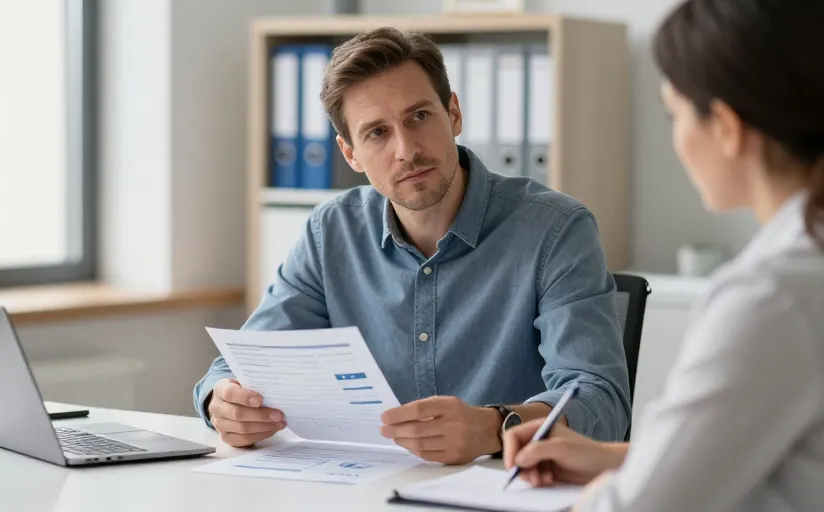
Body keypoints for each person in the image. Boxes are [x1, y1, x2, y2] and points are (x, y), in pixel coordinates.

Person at [193, 26, 632, 465]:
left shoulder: (555, 229)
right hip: (365, 487)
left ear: (453, 113)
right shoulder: (331, 232)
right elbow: (243, 364)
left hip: (505, 489)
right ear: (350, 154)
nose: (406, 150)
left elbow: (601, 401)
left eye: (419, 117)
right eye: (377, 133)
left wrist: (496, 427)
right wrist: (224, 402)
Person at [501, 0, 824, 509]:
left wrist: (606, 487)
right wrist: (616, 458)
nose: (675, 141)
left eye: (673, 114)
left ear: (725, 126)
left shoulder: (773, 295)